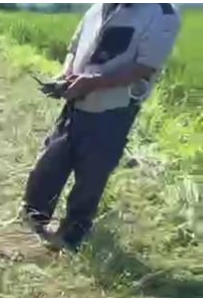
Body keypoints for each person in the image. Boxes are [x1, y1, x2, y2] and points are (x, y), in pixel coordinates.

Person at [21, 3, 181, 251]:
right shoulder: (97, 9)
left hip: (112, 112)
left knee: (91, 176)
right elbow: (73, 50)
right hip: (76, 104)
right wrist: (66, 77)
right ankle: (34, 218)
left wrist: (93, 82)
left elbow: (145, 68)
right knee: (51, 161)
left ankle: (72, 236)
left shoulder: (162, 14)